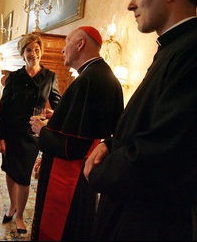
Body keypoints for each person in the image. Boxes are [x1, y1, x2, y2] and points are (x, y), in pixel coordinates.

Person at [84, 0, 197, 240]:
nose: (131, 3)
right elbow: (147, 124)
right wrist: (110, 142)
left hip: (153, 225)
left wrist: (97, 171)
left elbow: (162, 156)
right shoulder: (175, 47)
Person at [29, 26, 124, 240]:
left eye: (67, 42)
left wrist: (42, 131)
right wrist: (58, 117)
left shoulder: (87, 81)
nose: (63, 50)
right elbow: (86, 127)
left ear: (81, 44)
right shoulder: (106, 76)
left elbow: (72, 146)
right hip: (85, 175)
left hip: (68, 178)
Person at [0, 33, 61, 234]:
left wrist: (50, 118)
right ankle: (12, 205)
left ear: (41, 52)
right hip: (11, 133)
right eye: (29, 50)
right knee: (9, 170)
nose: (33, 54)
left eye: (37, 49)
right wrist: (0, 136)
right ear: (22, 54)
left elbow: (59, 106)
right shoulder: (14, 78)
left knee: (23, 177)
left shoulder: (50, 77)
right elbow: (4, 108)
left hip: (32, 136)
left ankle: (19, 216)